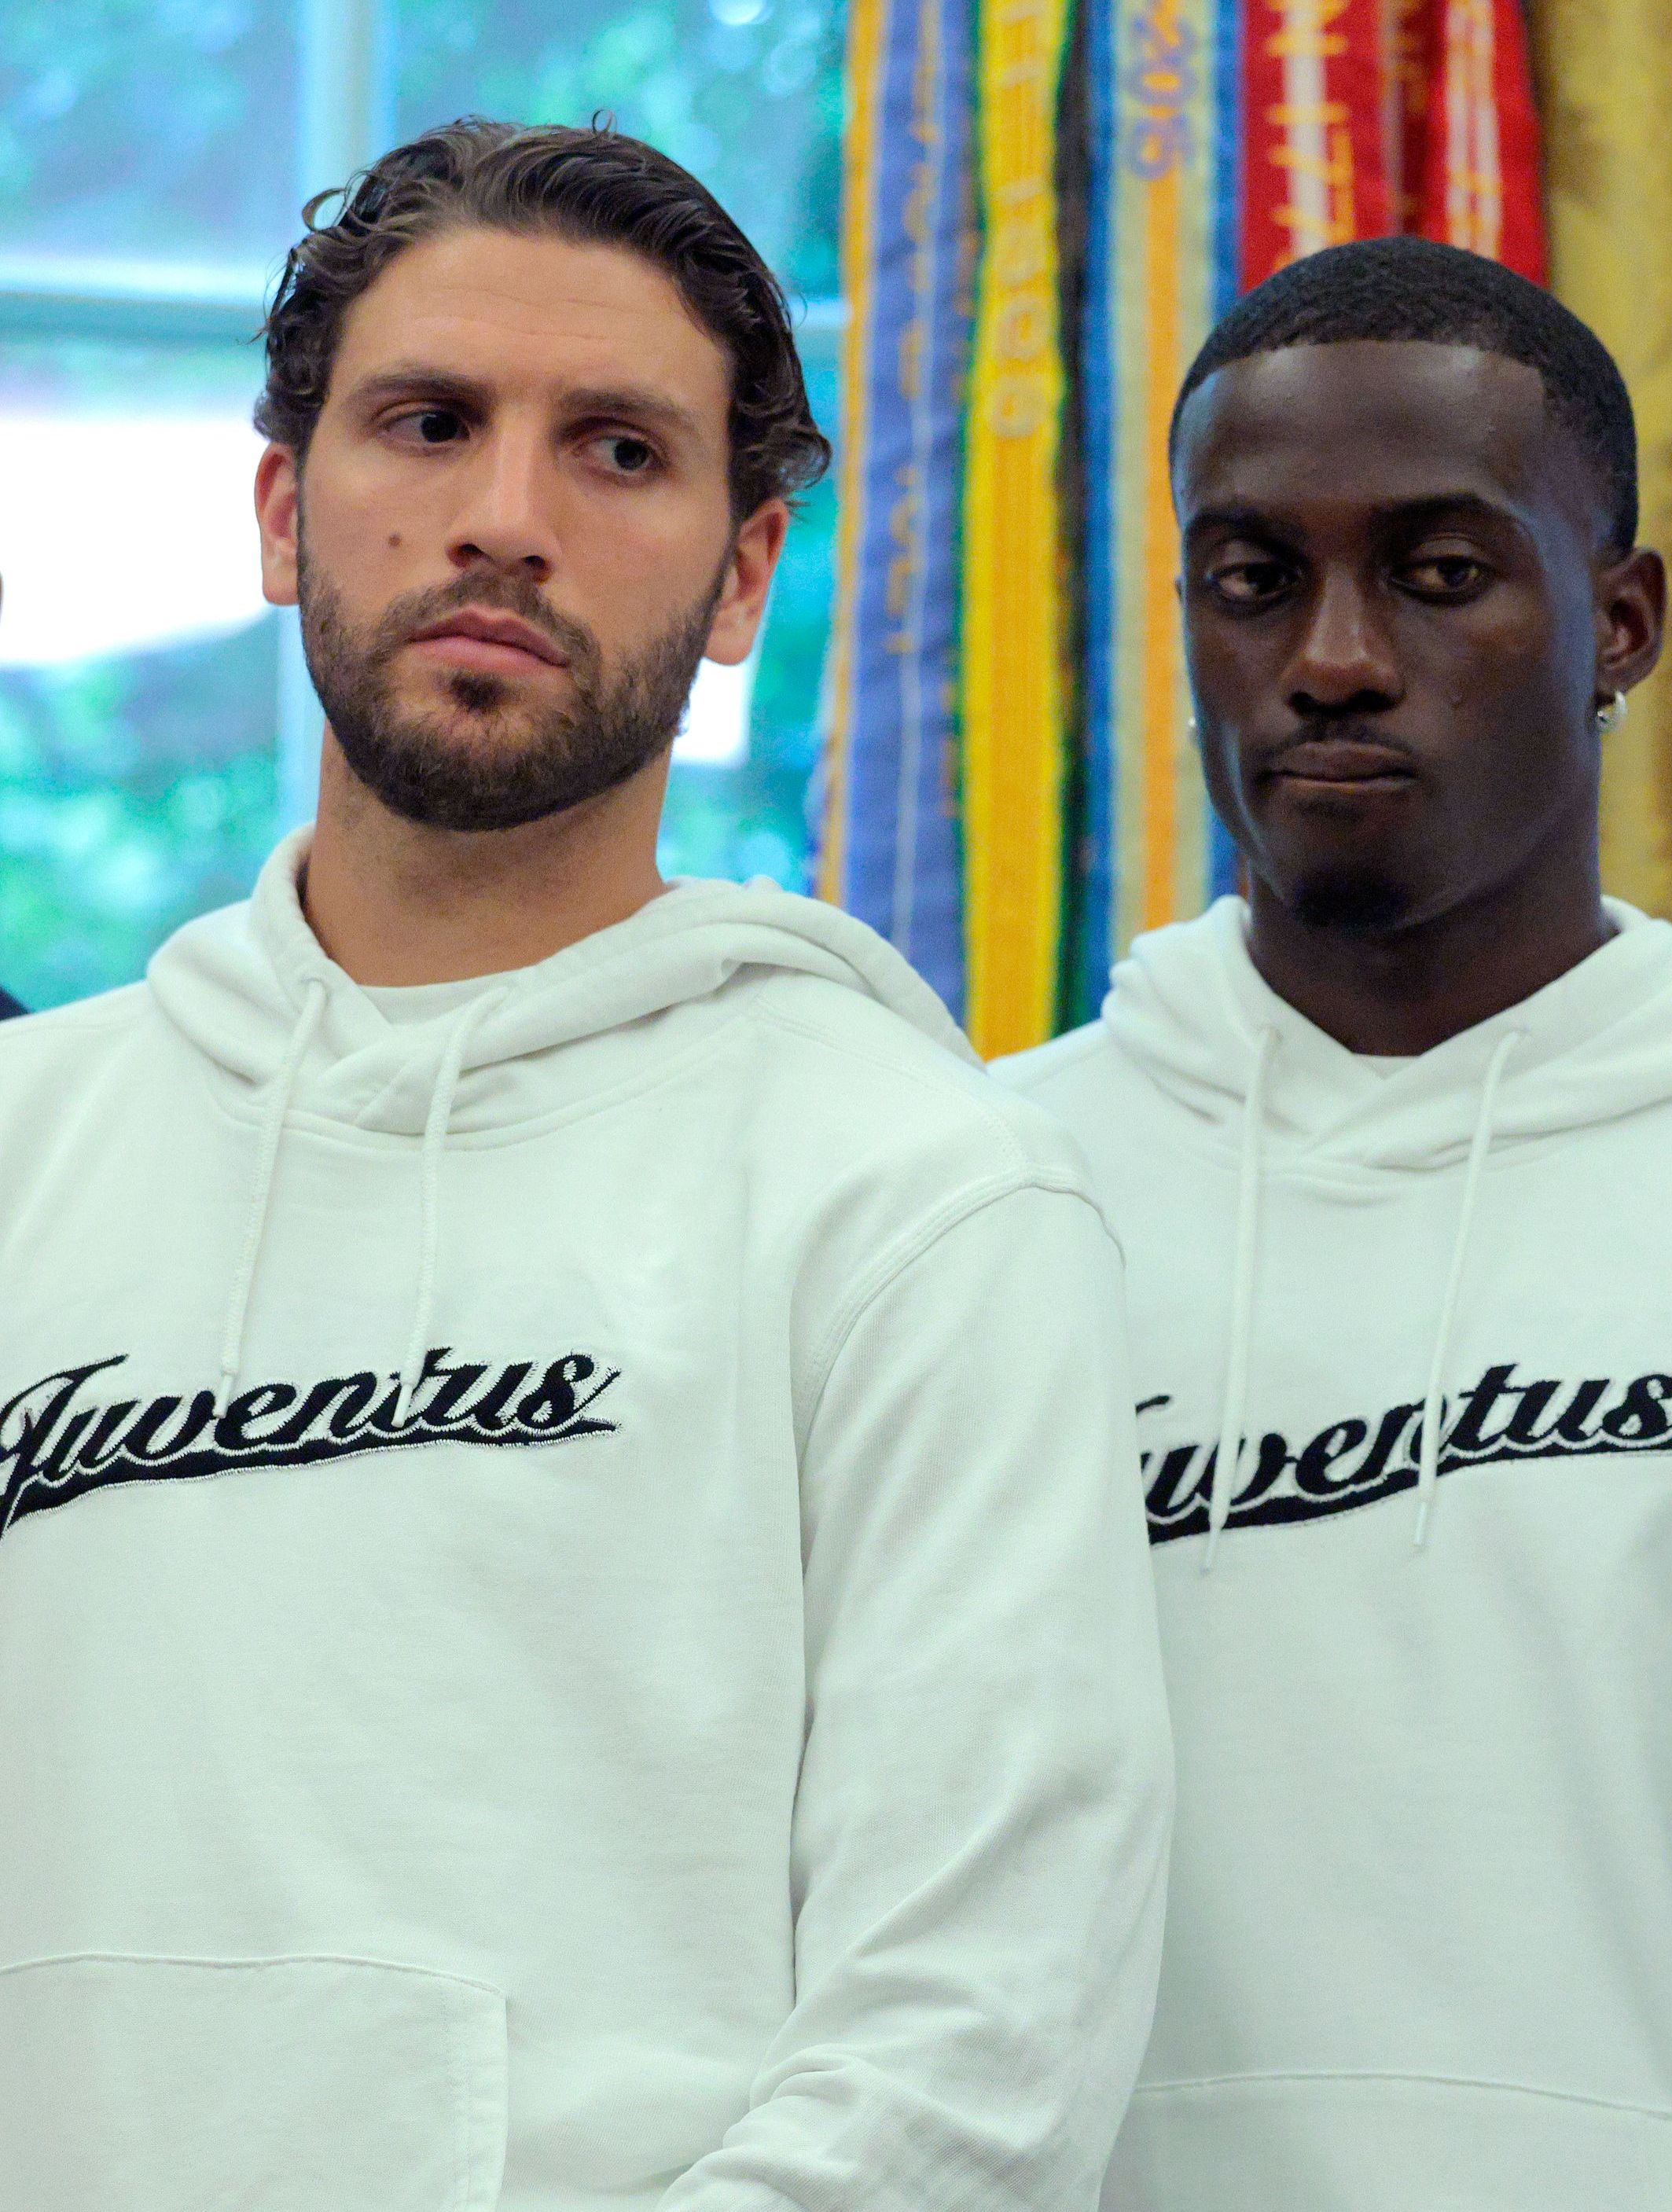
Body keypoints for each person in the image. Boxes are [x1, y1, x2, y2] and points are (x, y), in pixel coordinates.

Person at [0, 123, 1171, 2209]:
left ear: (742, 574)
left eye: (616, 449)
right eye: (427, 423)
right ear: (284, 508)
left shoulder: (918, 1196)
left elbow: (980, 2038)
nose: (504, 519)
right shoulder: (30, 1156)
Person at [996, 237, 1672, 2212]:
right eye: (1254, 581)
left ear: (1622, 621)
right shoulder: (988, 1201)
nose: (1330, 655)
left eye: (1441, 570)